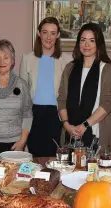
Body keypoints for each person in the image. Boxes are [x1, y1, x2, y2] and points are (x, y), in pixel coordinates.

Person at [57, 23, 111, 155]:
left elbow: (109, 102)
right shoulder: (70, 68)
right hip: (70, 133)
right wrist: (67, 125)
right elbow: (62, 98)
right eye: (83, 40)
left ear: (98, 44)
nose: (86, 44)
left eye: (92, 40)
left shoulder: (108, 69)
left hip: (96, 133)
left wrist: (84, 125)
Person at [19, 17, 72, 158]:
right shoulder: (27, 59)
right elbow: (22, 94)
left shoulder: (67, 60)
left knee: (54, 158)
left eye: (53, 33)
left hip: (57, 116)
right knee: (34, 158)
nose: (49, 37)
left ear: (58, 35)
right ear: (39, 34)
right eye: (45, 32)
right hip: (33, 115)